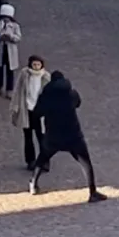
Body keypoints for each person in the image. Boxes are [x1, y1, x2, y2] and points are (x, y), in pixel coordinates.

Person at [30, 70, 105, 201]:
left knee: (42, 158)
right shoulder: (71, 94)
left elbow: (37, 113)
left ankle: (33, 184)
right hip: (73, 134)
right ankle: (92, 192)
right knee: (86, 163)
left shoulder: (46, 96)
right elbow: (78, 103)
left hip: (53, 134)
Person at [11, 53, 49, 170]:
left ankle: (44, 161)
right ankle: (30, 161)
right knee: (28, 137)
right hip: (27, 110)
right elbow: (18, 90)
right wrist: (15, 105)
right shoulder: (24, 74)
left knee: (42, 137)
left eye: (38, 64)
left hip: (40, 111)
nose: (36, 67)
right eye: (34, 64)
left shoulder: (46, 77)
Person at [0, 3, 21, 97]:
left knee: (10, 70)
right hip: (0, 49)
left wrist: (11, 37)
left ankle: (9, 89)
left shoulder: (15, 26)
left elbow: (18, 37)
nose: (5, 19)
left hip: (10, 50)